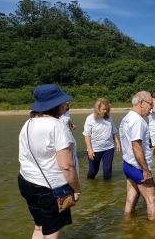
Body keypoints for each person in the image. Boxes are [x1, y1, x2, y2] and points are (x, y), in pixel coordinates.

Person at [18, 84, 81, 238]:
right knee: (53, 231)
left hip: (26, 181)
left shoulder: (28, 123)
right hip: (52, 188)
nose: (65, 105)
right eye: (63, 102)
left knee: (39, 227)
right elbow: (66, 166)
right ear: (56, 105)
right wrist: (77, 189)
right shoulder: (57, 126)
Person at [119, 91, 155, 221]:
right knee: (152, 201)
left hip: (128, 165)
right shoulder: (138, 121)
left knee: (130, 200)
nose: (152, 107)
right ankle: (153, 231)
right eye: (150, 103)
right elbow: (136, 146)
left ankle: (128, 226)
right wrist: (146, 170)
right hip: (138, 168)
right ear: (141, 103)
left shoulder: (126, 118)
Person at [83, 98, 121, 180]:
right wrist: (89, 149)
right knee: (93, 171)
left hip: (109, 148)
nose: (105, 111)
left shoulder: (109, 118)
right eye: (103, 109)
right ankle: (91, 184)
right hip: (95, 149)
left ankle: (107, 189)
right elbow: (87, 135)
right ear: (97, 109)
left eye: (107, 109)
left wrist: (117, 142)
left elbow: (113, 131)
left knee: (107, 171)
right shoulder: (90, 118)